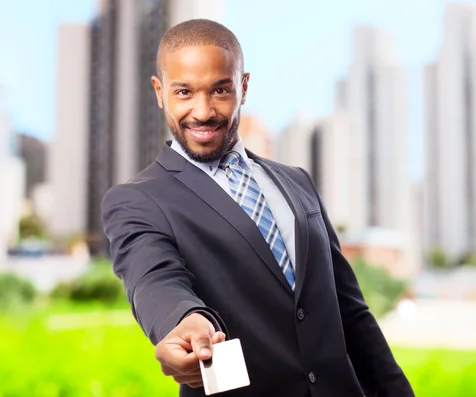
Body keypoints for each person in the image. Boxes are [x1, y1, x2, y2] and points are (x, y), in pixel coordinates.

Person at [102, 18, 415, 397]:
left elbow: (350, 310)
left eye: (220, 90)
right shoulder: (137, 199)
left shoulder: (297, 182)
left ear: (243, 86)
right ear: (159, 91)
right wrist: (182, 319)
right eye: (184, 92)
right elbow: (152, 278)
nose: (202, 112)